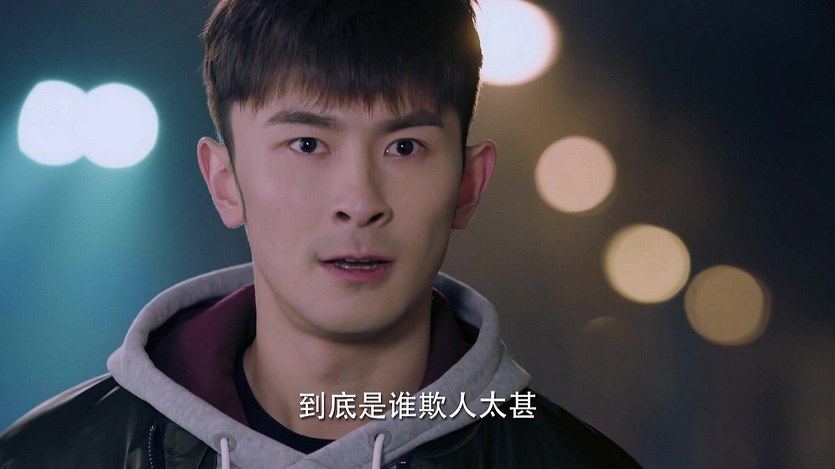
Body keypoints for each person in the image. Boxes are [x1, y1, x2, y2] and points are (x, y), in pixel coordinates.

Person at [0, 0, 639, 467]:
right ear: (224, 181)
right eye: (307, 144)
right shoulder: (49, 458)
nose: (358, 203)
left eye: (405, 146)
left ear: (468, 185)